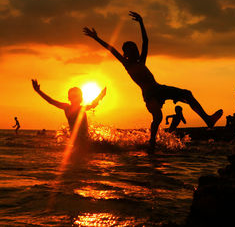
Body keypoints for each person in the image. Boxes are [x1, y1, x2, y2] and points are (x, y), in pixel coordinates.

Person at [84, 11, 223, 150]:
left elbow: (146, 41)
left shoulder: (141, 61)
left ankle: (208, 120)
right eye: (127, 50)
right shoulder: (127, 64)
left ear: (135, 51)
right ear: (126, 53)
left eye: (132, 48)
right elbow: (111, 49)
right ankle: (151, 142)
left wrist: (141, 23)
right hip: (149, 95)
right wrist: (96, 38)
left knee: (187, 94)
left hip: (159, 88)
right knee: (158, 117)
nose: (130, 51)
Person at [32, 79, 106, 150]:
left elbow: (93, 105)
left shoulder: (81, 108)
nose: (75, 98)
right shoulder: (67, 107)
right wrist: (38, 91)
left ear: (80, 98)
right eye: (73, 96)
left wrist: (101, 95)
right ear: (69, 98)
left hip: (83, 140)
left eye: (76, 96)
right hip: (78, 140)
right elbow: (51, 101)